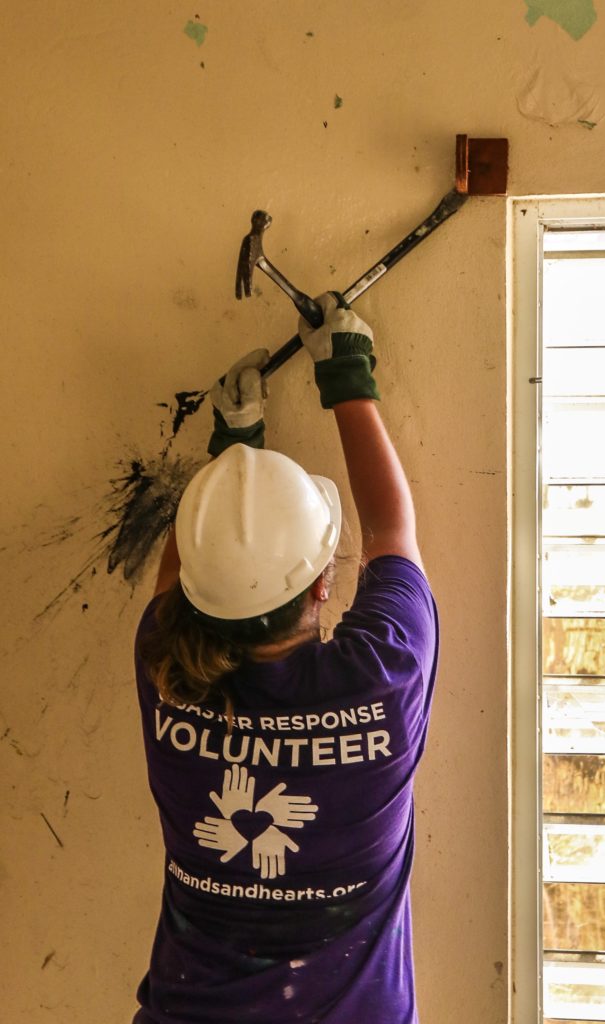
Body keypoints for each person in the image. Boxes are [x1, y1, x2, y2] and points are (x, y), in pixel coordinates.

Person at [132, 293, 439, 1024]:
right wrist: (348, 377)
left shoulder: (168, 670)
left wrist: (235, 450)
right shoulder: (383, 674)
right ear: (325, 582)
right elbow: (392, 528)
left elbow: (188, 577)